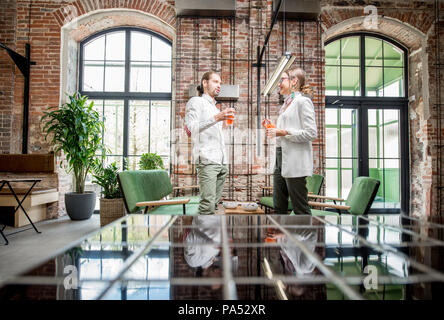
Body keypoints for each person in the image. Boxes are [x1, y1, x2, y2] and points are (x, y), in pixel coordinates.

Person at [265, 67, 317, 215]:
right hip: (280, 157)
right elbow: (286, 130)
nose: (279, 83)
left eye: (282, 80)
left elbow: (311, 133)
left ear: (294, 81)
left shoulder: (303, 102)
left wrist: (283, 131)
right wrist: (274, 128)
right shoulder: (286, 105)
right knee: (279, 206)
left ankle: (306, 237)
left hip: (295, 161)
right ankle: (282, 237)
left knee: (300, 209)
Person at [185, 71, 235, 215]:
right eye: (215, 81)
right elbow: (191, 129)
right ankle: (201, 236)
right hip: (207, 160)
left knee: (213, 205)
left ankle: (210, 236)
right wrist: (216, 118)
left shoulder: (214, 107)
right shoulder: (195, 102)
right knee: (207, 206)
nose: (219, 85)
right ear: (205, 83)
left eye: (220, 82)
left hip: (221, 162)